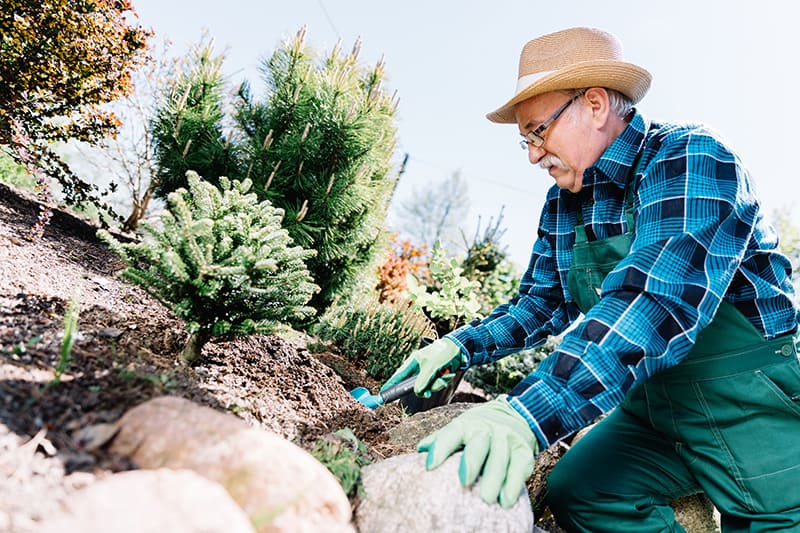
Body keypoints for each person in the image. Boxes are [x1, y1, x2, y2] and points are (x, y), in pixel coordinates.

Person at [381, 26, 800, 531]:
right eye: (525, 141)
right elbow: (539, 303)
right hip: (659, 409)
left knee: (773, 520)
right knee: (583, 491)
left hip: (751, 402)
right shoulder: (564, 204)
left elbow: (652, 302)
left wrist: (527, 415)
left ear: (596, 105)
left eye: (538, 130)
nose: (533, 153)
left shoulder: (690, 158)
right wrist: (460, 347)